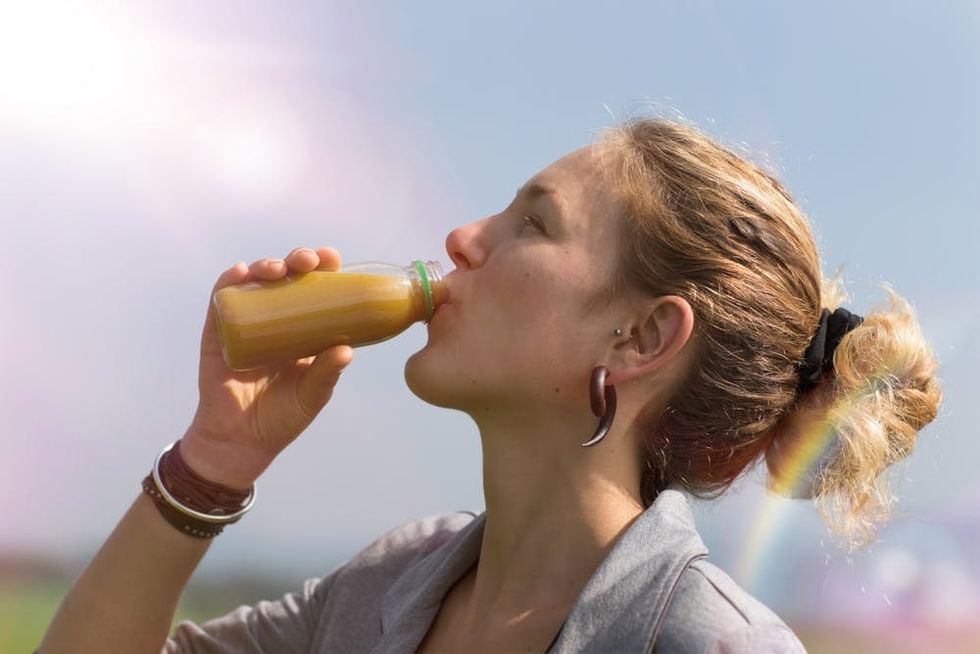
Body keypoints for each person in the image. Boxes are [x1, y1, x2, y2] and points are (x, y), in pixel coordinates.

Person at [39, 117, 942, 653]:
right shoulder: (385, 587)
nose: (464, 238)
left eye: (533, 223)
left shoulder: (713, 644)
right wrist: (214, 462)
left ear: (642, 337)